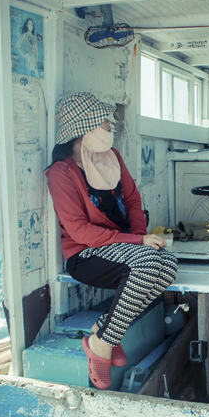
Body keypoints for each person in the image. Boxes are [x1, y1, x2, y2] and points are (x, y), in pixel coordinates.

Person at [46, 92, 177, 389]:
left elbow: (132, 200)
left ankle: (105, 332)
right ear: (83, 129)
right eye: (104, 122)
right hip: (85, 255)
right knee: (147, 264)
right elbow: (79, 232)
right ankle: (102, 345)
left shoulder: (113, 158)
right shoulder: (61, 173)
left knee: (168, 264)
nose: (110, 127)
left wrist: (140, 237)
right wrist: (138, 241)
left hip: (124, 246)